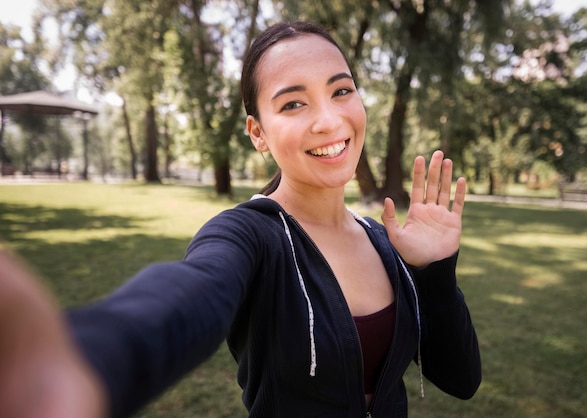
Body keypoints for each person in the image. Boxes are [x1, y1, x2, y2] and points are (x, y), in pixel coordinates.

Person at [0, 21, 481, 418]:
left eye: (341, 90)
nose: (329, 121)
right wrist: (89, 360)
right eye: (293, 103)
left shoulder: (383, 240)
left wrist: (435, 274)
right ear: (258, 133)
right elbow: (193, 292)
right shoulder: (249, 234)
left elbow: (460, 380)